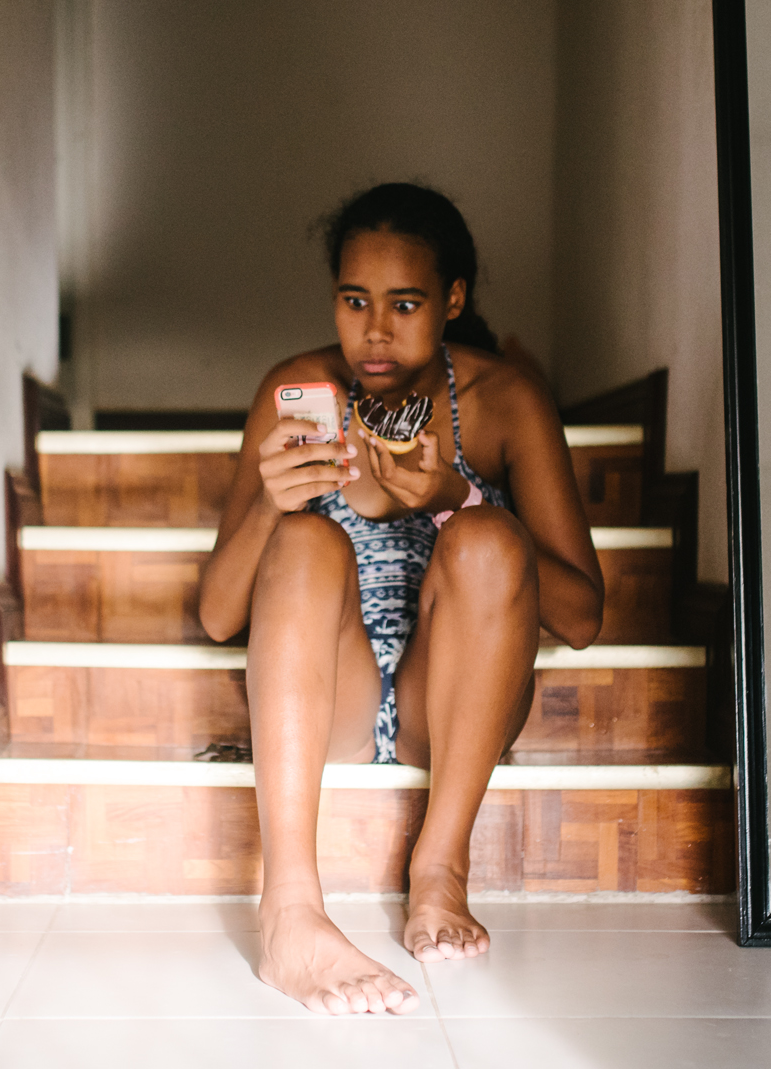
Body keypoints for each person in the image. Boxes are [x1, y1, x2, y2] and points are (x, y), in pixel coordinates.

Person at [199, 182, 602, 1015]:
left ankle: (438, 870)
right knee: (307, 539)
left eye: (405, 303)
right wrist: (275, 501)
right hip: (329, 696)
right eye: (354, 301)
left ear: (454, 299)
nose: (374, 330)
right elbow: (216, 615)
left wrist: (458, 496)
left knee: (489, 539)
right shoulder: (296, 388)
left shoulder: (506, 400)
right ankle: (292, 913)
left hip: (446, 700)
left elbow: (582, 616)